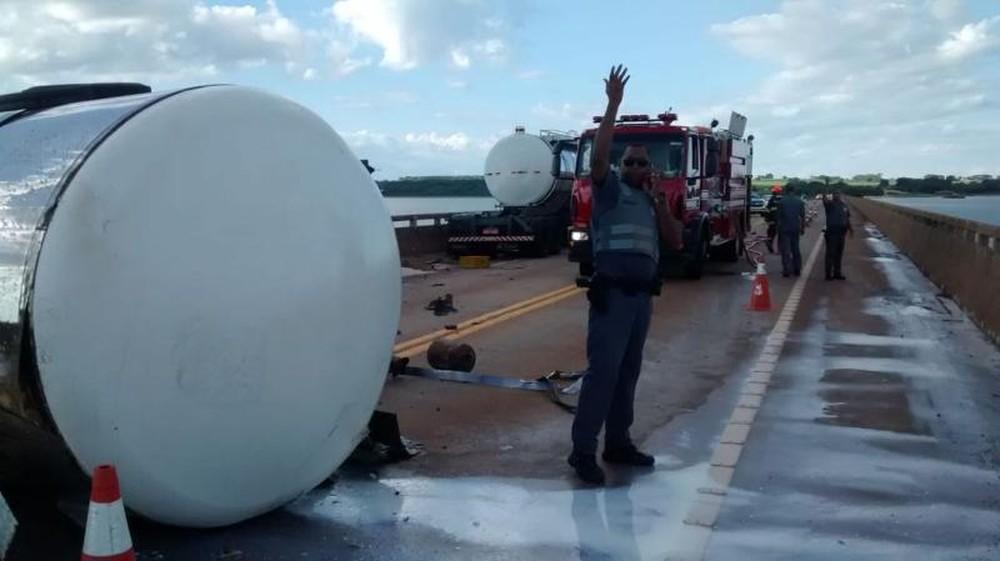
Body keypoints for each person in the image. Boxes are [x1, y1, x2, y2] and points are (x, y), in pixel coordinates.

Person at [569, 65, 684, 485]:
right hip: (613, 296)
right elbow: (600, 157)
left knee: (628, 374)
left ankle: (618, 443)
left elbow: (676, 243)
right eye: (630, 161)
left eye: (641, 162)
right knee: (603, 373)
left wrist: (659, 206)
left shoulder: (651, 201)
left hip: (641, 300)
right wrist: (613, 105)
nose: (635, 166)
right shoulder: (610, 191)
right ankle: (582, 451)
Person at [775, 184, 805, 277]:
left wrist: (777, 229)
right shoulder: (799, 201)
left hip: (785, 228)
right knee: (796, 249)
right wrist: (802, 228)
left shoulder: (782, 202)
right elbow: (802, 216)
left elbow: (779, 218)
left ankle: (787, 270)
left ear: (786, 190)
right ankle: (797, 269)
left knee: (786, 250)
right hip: (795, 228)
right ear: (794, 190)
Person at [822, 191, 853, 280]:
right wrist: (824, 193)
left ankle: (837, 273)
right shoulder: (830, 205)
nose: (837, 195)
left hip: (841, 233)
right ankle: (828, 274)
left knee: (839, 254)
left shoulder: (844, 206)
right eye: (835, 194)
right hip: (831, 233)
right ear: (832, 196)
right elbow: (825, 202)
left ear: (841, 195)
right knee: (830, 253)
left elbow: (847, 218)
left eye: (838, 194)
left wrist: (851, 229)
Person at [763, 185, 783, 253]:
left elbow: (767, 210)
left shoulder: (771, 199)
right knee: (781, 235)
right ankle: (779, 249)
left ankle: (769, 242)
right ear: (780, 192)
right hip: (781, 220)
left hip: (772, 220)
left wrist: (767, 219)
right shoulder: (783, 199)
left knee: (771, 233)